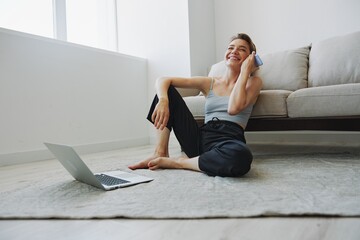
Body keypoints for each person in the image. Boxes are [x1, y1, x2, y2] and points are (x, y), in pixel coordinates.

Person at [129, 33, 263, 177]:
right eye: (231, 47)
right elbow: (163, 79)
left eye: (242, 49)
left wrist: (245, 72)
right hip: (200, 138)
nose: (234, 51)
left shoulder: (253, 82)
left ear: (251, 58)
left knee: (241, 156)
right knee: (166, 91)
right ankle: (160, 152)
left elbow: (233, 108)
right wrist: (163, 100)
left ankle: (179, 163)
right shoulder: (210, 82)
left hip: (228, 140)